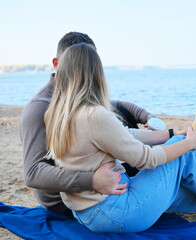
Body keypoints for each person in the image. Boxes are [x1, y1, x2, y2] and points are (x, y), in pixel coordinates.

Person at [44, 42, 196, 233]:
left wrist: (173, 134)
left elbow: (124, 135)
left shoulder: (58, 113)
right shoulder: (94, 115)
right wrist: (187, 143)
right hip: (115, 212)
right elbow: (146, 160)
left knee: (186, 184)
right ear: (95, 73)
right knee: (186, 157)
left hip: (87, 212)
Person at [19, 32, 161, 216]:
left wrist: (149, 117)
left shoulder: (81, 95)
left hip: (99, 174)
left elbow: (119, 105)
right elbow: (33, 173)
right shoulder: (39, 108)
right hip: (69, 201)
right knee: (171, 160)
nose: (80, 70)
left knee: (122, 116)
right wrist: (93, 180)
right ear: (56, 64)